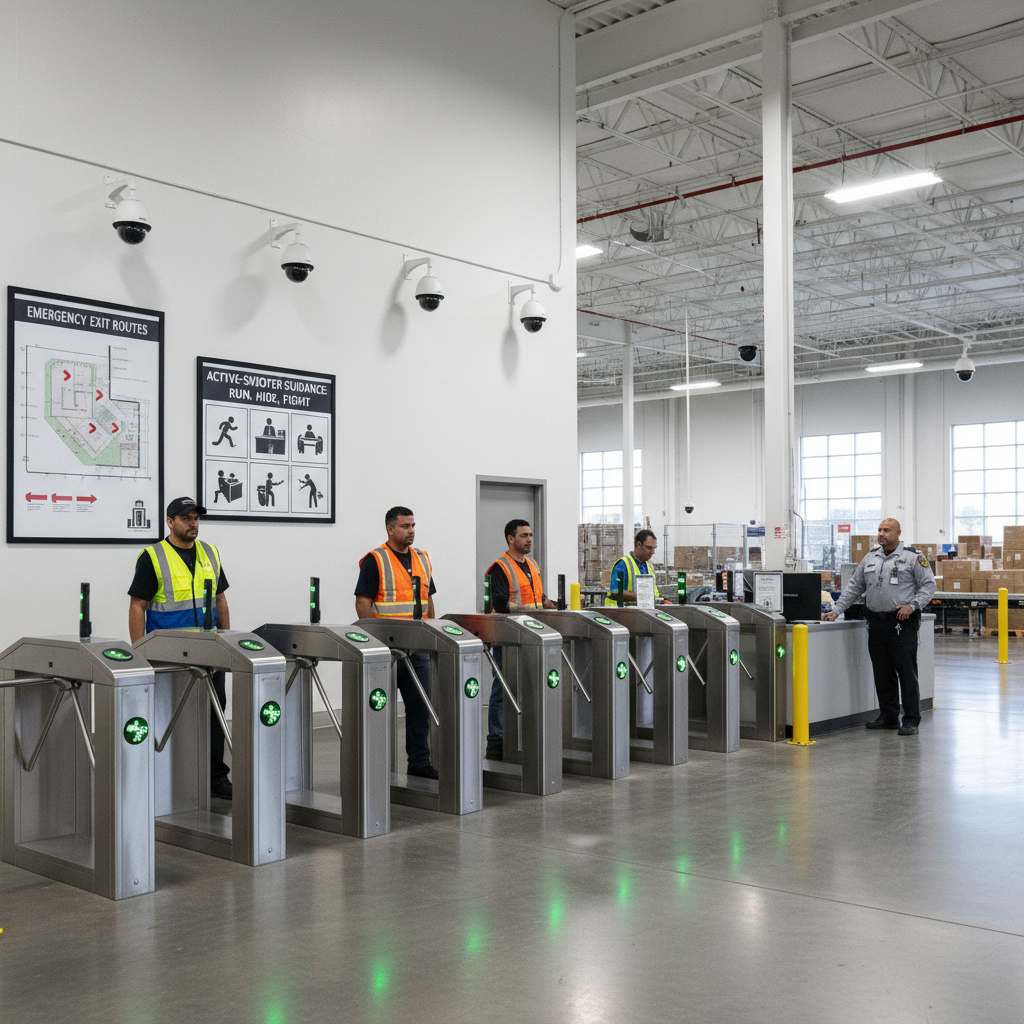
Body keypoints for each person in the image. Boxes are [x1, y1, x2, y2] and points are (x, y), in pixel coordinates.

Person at [128, 497, 233, 799]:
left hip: (209, 649)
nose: (193, 524)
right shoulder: (153, 556)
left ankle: (215, 779)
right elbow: (138, 606)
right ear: (170, 522)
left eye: (197, 518)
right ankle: (165, 777)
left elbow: (220, 598)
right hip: (169, 653)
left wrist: (226, 639)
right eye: (186, 518)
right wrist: (140, 652)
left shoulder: (210, 553)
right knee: (168, 714)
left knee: (214, 713)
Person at [824, 517, 935, 735]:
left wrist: (912, 606)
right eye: (879, 530)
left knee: (906, 672)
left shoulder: (913, 557)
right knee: (882, 673)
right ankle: (888, 716)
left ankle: (911, 719)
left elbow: (929, 585)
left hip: (901, 624)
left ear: (898, 533)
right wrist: (837, 609)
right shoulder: (869, 558)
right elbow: (854, 586)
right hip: (876, 623)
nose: (881, 533)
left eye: (886, 530)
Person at [354, 506, 438, 779]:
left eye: (413, 525)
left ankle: (419, 762)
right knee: (378, 707)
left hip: (417, 649)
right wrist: (376, 644)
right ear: (390, 529)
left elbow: (429, 600)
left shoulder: (423, 558)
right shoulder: (375, 560)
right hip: (388, 651)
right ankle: (375, 765)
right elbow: (363, 602)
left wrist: (432, 635)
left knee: (420, 706)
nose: (411, 531)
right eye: (405, 526)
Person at [485, 519, 556, 760]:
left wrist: (553, 607)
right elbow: (500, 603)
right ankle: (496, 740)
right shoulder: (500, 567)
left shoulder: (533, 564)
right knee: (503, 687)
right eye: (524, 535)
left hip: (533, 632)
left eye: (530, 535)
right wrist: (529, 610)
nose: (529, 540)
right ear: (510, 538)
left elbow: (540, 596)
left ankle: (523, 736)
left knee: (529, 685)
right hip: (508, 635)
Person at [605, 528, 661, 605]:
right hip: (620, 613)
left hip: (641, 612)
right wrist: (638, 597)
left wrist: (660, 599)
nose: (652, 552)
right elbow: (614, 591)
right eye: (649, 548)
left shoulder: (649, 567)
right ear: (638, 544)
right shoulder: (623, 564)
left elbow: (654, 592)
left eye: (654, 548)